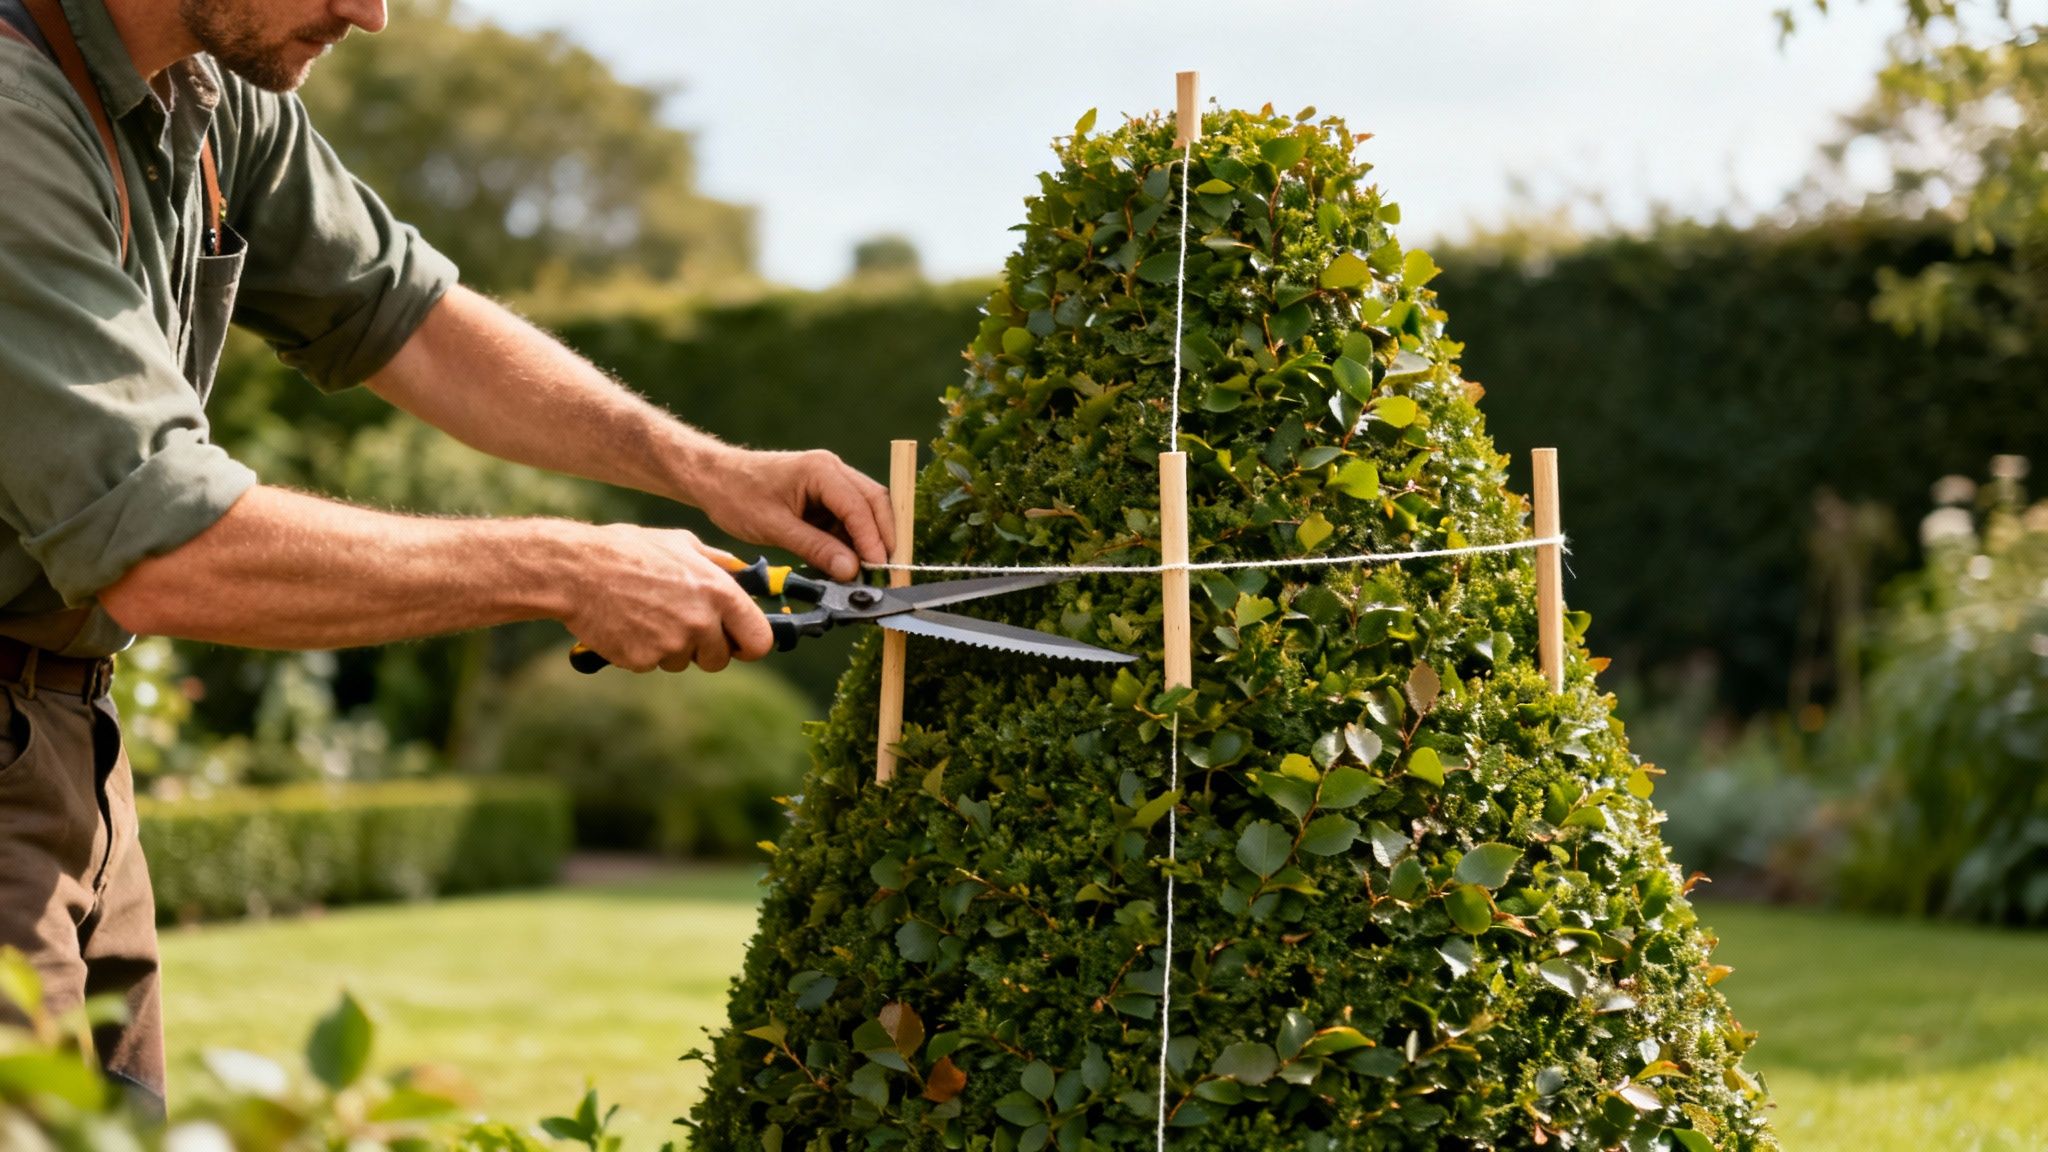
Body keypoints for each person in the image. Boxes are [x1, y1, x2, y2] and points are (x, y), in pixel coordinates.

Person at [0, 0, 895, 1113]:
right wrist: (567, 569)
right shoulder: (15, 124)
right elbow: (165, 546)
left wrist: (708, 468)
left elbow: (402, 314)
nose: (370, 15)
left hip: (74, 744)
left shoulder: (210, 94)